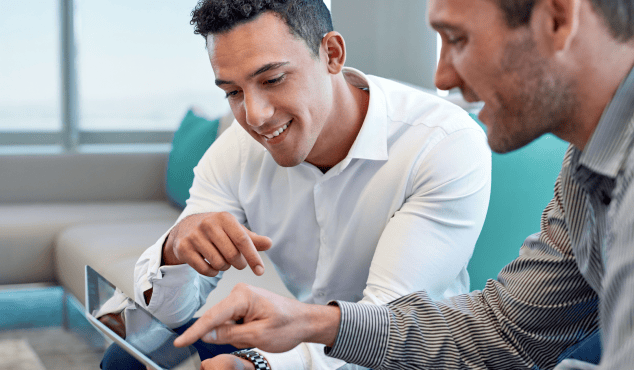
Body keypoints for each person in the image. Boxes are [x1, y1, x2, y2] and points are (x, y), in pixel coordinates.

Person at [174, 0, 634, 369]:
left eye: (457, 39)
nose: (443, 77)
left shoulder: (444, 138)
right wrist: (320, 324)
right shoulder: (585, 172)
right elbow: (508, 331)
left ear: (557, 18)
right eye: (232, 91)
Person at [100, 0, 492, 369]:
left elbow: (385, 322)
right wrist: (174, 249)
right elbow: (167, 314)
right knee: (128, 357)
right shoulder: (235, 151)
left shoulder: (440, 142)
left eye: (272, 79)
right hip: (294, 336)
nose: (254, 116)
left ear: (332, 55)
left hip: (406, 354)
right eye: (233, 92)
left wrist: (259, 363)